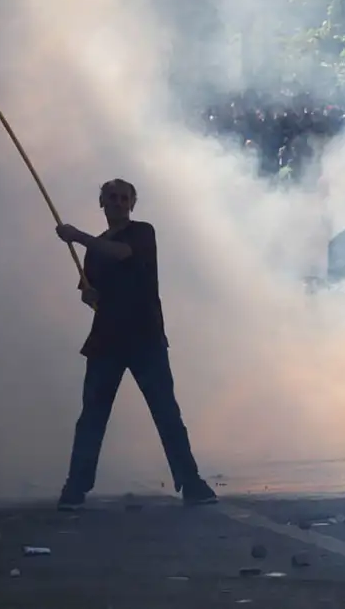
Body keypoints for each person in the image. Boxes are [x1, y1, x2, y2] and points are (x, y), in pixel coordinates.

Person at [53, 179, 217, 511]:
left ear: (132, 204)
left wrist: (77, 236)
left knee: (166, 412)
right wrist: (90, 296)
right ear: (102, 202)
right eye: (112, 197)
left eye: (123, 198)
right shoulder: (95, 248)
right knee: (92, 417)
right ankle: (75, 487)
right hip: (106, 339)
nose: (118, 202)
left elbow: (121, 253)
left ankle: (192, 483)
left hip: (145, 338)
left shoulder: (142, 233)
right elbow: (91, 295)